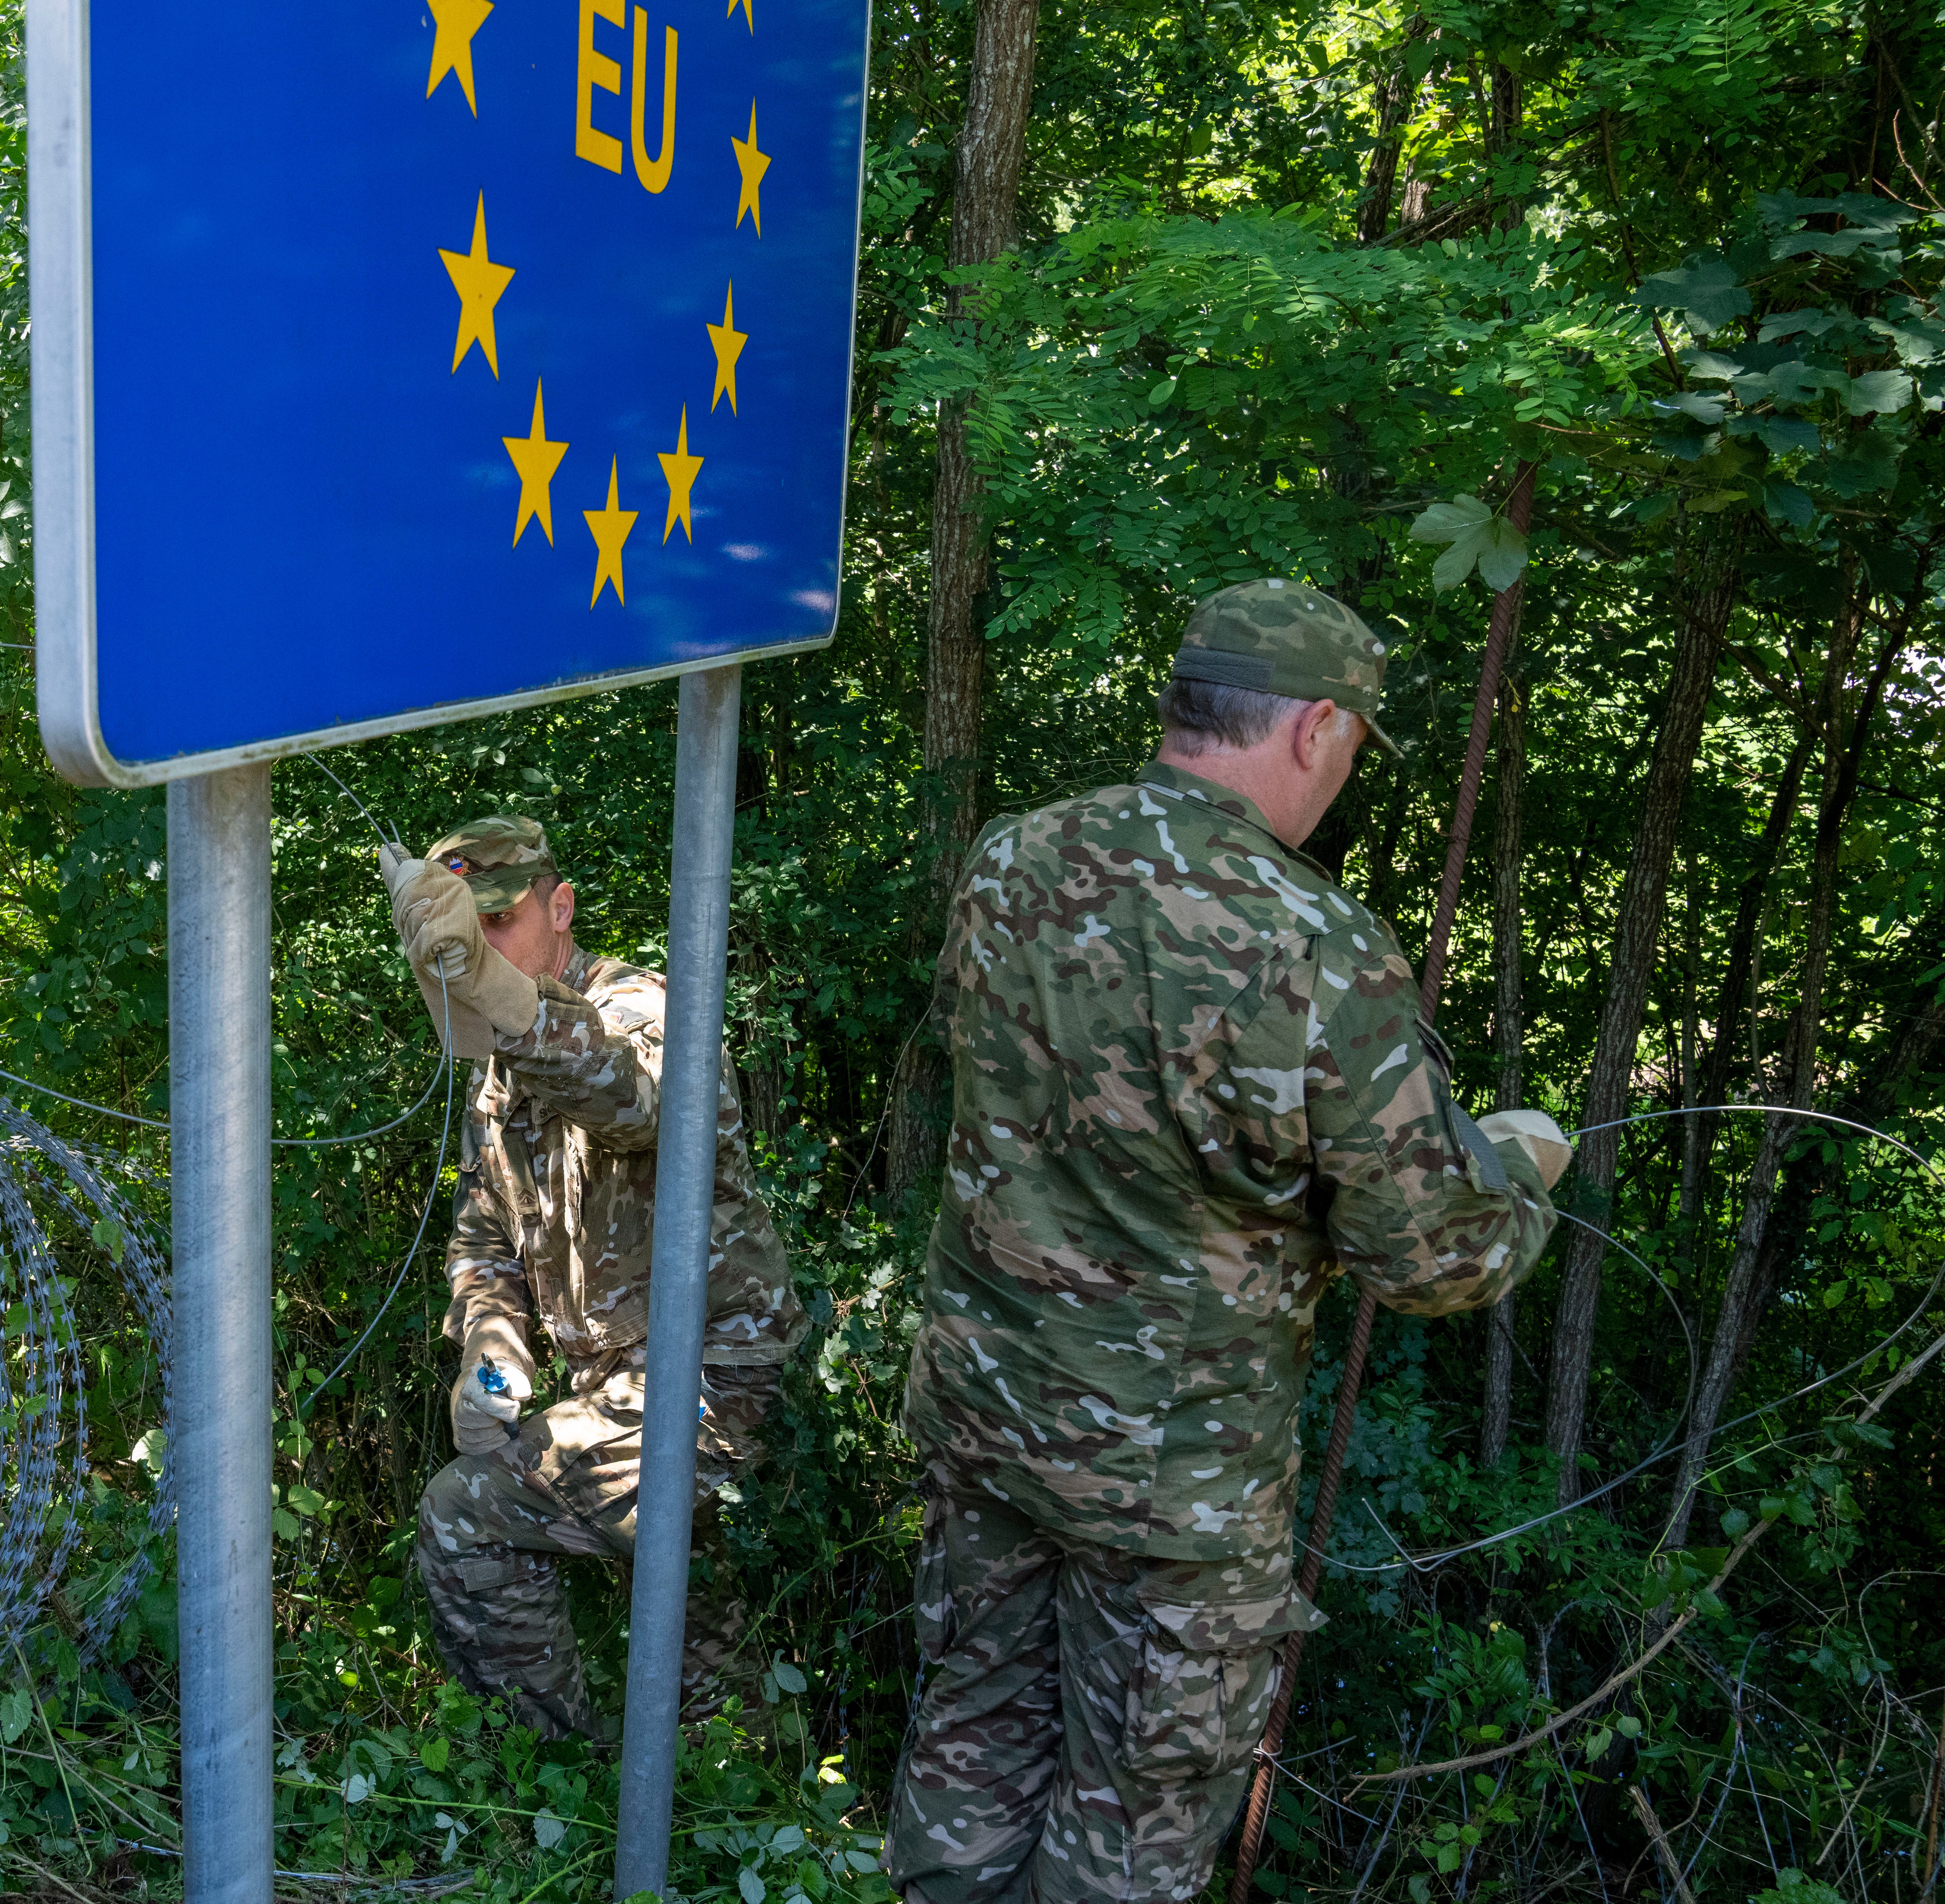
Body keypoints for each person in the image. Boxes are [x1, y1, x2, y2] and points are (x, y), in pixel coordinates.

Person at [885, 580, 1571, 1903]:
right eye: (1355, 746)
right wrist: (1519, 1169)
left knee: (969, 1752)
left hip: (985, 1421)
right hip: (1170, 1488)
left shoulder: (1012, 860)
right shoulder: (1314, 944)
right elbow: (1435, 1255)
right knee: (1129, 1833)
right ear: (1314, 728)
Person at [378, 816, 809, 1739]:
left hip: (713, 1378)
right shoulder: (496, 1077)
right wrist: (489, 1344)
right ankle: (729, 1795)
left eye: (499, 920)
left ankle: (547, 1774)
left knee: (469, 1516)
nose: (481, 947)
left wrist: (503, 997)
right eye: (465, 933)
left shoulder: (637, 1009)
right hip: (618, 1385)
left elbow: (635, 1101)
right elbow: (485, 1236)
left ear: (560, 908)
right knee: (701, 1631)